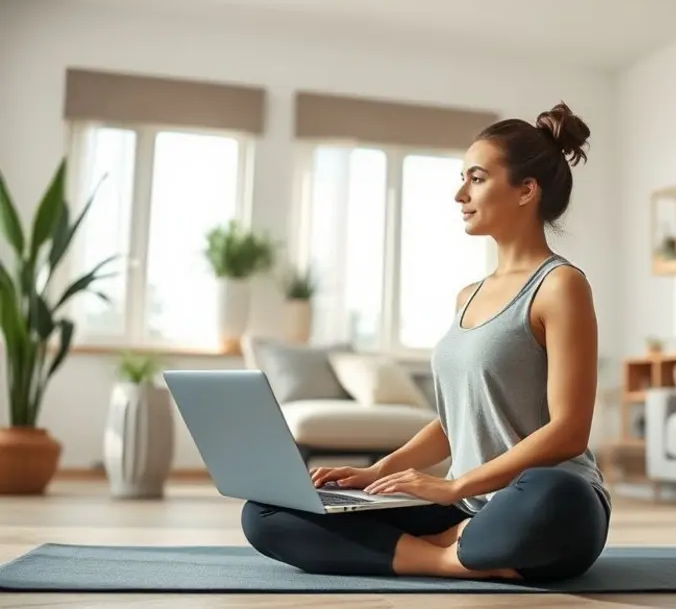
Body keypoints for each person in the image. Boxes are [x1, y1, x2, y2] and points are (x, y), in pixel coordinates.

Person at [241, 101, 611, 582]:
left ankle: (442, 549)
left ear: (526, 190)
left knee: (556, 498)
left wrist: (452, 486)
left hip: (538, 501)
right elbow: (455, 418)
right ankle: (455, 556)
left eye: (476, 178)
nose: (460, 193)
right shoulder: (467, 295)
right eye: (463, 178)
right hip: (468, 508)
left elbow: (569, 432)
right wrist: (380, 472)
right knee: (267, 511)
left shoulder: (560, 286)